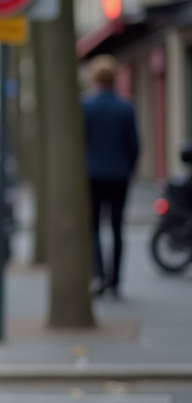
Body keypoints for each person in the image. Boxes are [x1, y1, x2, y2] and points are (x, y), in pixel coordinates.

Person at [82, 55, 139, 298]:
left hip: (91, 175)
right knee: (117, 228)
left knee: (93, 226)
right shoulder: (126, 106)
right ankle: (115, 281)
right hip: (119, 175)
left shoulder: (84, 105)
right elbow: (135, 145)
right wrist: (129, 169)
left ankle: (99, 276)